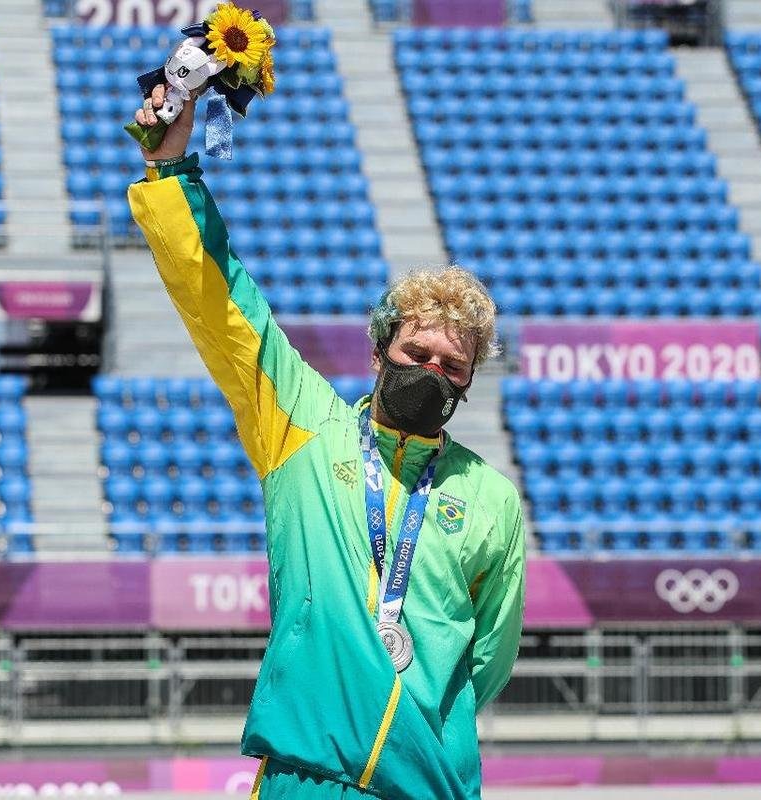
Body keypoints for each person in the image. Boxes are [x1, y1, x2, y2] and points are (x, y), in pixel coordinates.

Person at [129, 86, 526, 800]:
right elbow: (223, 307)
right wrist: (172, 170)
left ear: (468, 384)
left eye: (452, 367)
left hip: (428, 783)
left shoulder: (491, 498)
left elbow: (487, 659)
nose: (431, 373)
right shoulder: (302, 427)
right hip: (304, 777)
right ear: (379, 353)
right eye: (417, 352)